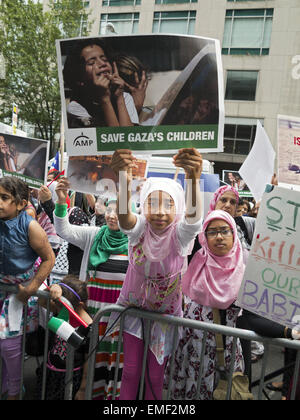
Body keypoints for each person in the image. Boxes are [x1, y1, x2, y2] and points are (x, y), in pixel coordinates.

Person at [109, 147, 203, 400]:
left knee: (154, 376)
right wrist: (123, 183)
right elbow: (125, 219)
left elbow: (194, 221)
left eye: (168, 204)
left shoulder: (180, 234)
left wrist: (193, 178)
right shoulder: (139, 228)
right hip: (133, 312)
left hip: (164, 318)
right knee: (130, 371)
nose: (160, 212)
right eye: (152, 202)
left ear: (178, 207)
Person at [53, 184, 129, 400]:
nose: (113, 216)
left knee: (113, 364)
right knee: (90, 360)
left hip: (118, 317)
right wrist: (60, 200)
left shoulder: (135, 242)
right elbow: (63, 230)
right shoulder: (94, 235)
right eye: (110, 209)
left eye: (119, 211)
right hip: (92, 314)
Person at [167, 210, 245, 400]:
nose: (219, 237)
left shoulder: (246, 269)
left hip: (225, 354)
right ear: (204, 237)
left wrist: (286, 332)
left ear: (234, 234)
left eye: (225, 231)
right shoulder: (198, 261)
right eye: (212, 232)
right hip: (192, 351)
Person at [0, 176, 55, 400]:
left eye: (4, 198)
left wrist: (31, 287)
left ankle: (14, 392)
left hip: (19, 294)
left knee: (9, 348)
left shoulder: (31, 226)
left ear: (22, 203)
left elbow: (49, 259)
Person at [36, 274, 92, 400]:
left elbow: (89, 360)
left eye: (63, 306)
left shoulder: (89, 327)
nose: (58, 308)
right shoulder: (61, 310)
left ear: (80, 305)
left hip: (71, 377)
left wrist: (82, 389)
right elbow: (41, 301)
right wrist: (51, 288)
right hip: (50, 370)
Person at [63, 38, 139, 128]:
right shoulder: (75, 107)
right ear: (80, 79)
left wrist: (119, 98)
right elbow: (112, 140)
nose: (102, 63)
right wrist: (104, 99)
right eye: (91, 63)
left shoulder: (124, 97)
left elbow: (128, 138)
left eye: (105, 59)